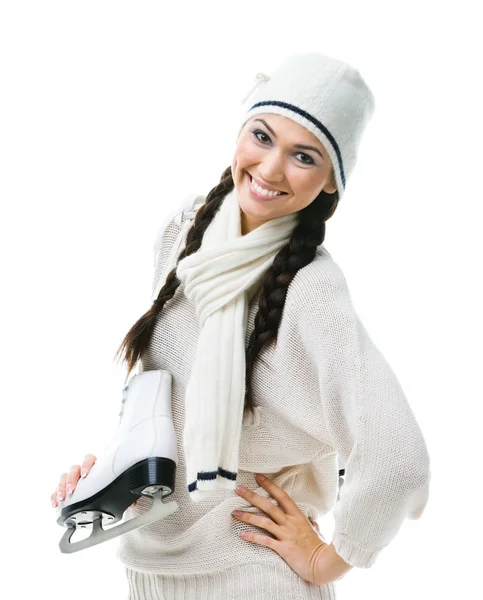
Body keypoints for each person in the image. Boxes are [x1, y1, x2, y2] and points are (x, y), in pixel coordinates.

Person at [51, 52, 431, 599]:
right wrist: (120, 470)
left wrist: (330, 561)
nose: (271, 168)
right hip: (155, 565)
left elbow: (399, 458)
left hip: (251, 572)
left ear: (331, 182)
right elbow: (172, 397)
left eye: (303, 155)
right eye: (262, 135)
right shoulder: (184, 235)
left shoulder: (312, 292)